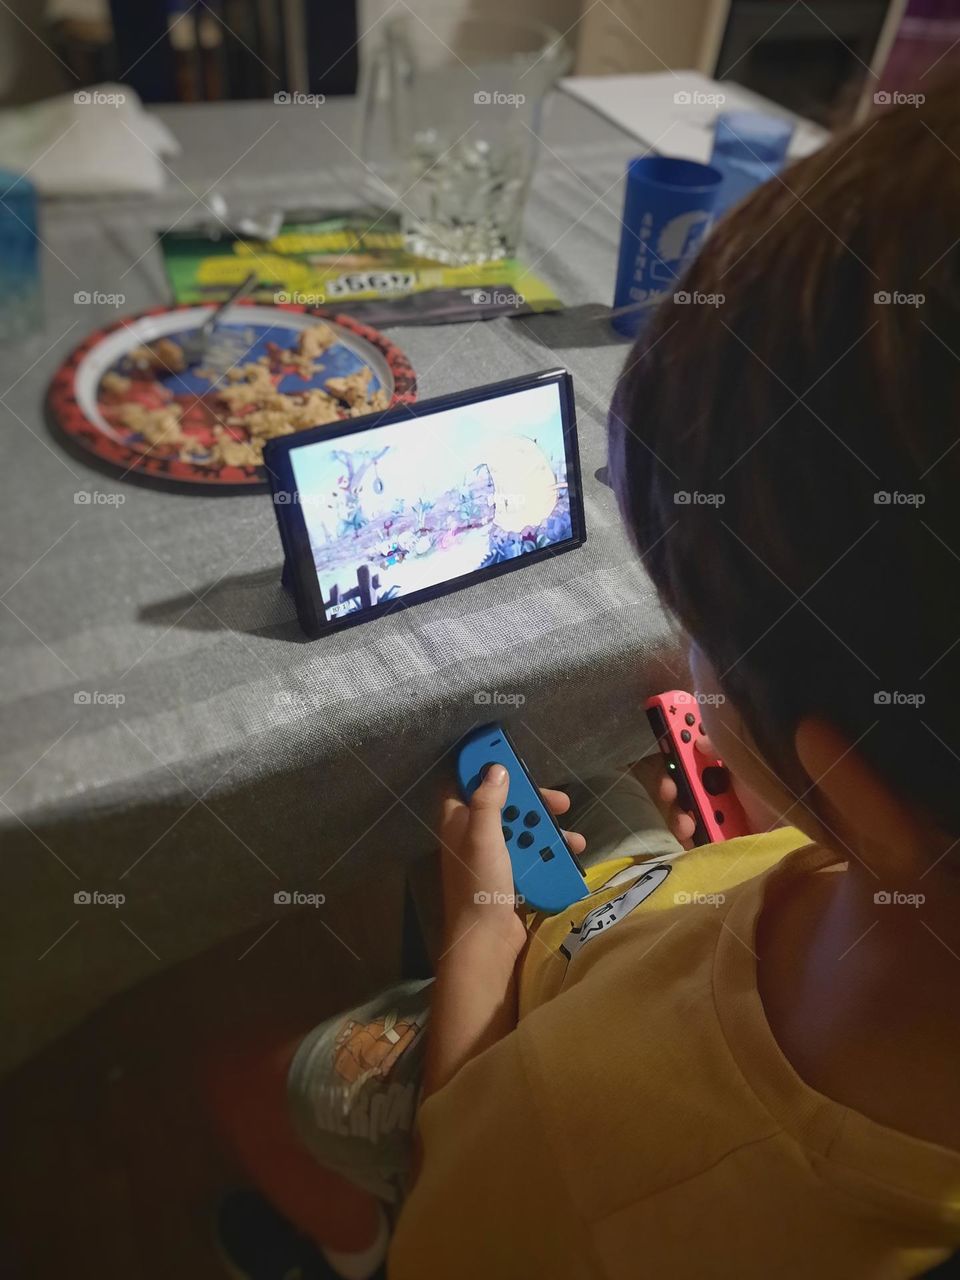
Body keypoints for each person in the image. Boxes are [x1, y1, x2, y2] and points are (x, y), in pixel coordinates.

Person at [209, 80, 960, 1279]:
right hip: (685, 908)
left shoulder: (592, 1163)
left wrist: (484, 927)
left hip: (529, 1051)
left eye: (699, 631)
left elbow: (470, 1138)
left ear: (860, 786)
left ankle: (346, 1243)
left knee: (255, 1075)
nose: (687, 655)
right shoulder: (898, 853)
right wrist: (775, 837)